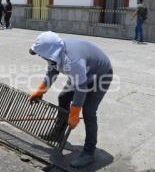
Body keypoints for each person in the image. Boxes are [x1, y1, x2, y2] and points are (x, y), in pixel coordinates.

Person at [29, 31, 113, 168]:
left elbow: (81, 87)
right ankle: (58, 133)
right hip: (83, 74)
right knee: (63, 97)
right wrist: (41, 90)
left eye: (41, 54)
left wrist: (74, 113)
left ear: (50, 52)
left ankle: (89, 152)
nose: (40, 57)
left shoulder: (73, 60)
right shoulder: (55, 54)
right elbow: (52, 71)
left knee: (89, 111)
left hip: (101, 75)